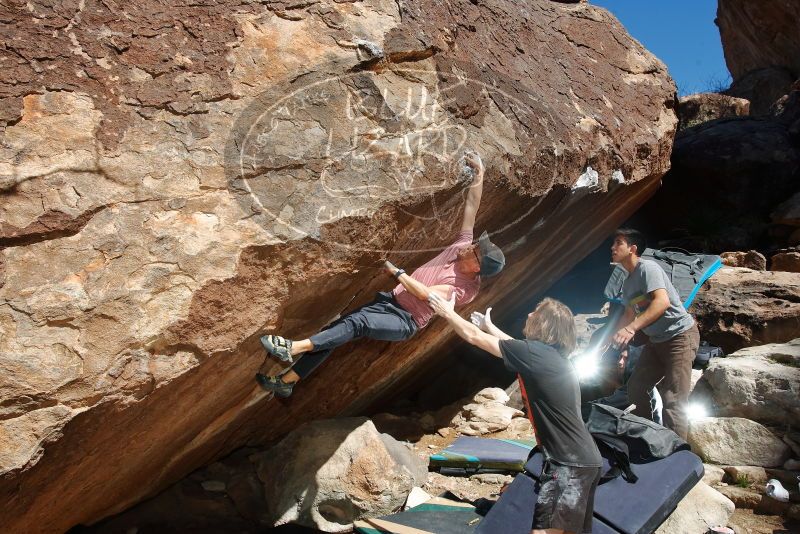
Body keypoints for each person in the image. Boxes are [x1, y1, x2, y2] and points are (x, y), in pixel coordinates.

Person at [256, 152, 505, 398]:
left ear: (477, 267)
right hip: (389, 302)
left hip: (405, 320)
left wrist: (398, 273)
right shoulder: (461, 247)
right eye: (475, 245)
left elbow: (427, 295)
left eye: (476, 251)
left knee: (357, 324)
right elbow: (472, 207)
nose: (471, 247)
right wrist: (479, 174)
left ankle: (293, 347)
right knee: (336, 330)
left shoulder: (465, 289)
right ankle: (287, 381)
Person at [429, 294, 602, 534]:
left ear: (544, 324)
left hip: (567, 462)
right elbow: (513, 345)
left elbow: (473, 337)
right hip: (586, 461)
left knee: (543, 531)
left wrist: (447, 312)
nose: (530, 315)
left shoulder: (536, 355)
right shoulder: (552, 358)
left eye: (535, 313)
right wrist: (490, 327)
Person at [610, 228, 700, 440]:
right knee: (637, 388)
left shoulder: (647, 268)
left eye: (618, 243)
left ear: (632, 249)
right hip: (657, 341)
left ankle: (676, 453)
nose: (613, 248)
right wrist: (612, 341)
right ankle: (651, 434)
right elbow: (628, 313)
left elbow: (662, 301)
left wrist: (631, 328)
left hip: (680, 336)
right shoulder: (628, 282)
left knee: (674, 398)